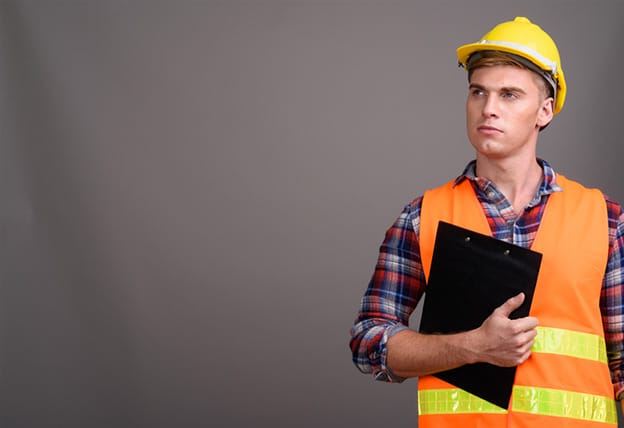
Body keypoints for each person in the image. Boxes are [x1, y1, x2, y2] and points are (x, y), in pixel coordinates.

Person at [349, 16, 624, 427]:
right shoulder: (423, 217)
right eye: (478, 91)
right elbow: (368, 342)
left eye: (509, 95)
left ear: (544, 111)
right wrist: (472, 346)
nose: (488, 108)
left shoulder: (604, 220)